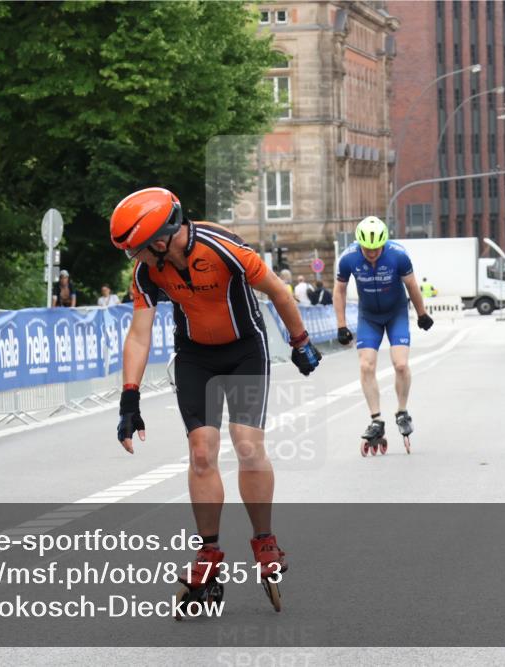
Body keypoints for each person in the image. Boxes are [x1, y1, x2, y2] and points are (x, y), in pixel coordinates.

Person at [110, 187, 321, 611]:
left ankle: (264, 540)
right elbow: (139, 332)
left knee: (247, 442)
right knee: (201, 452)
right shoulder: (149, 272)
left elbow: (279, 291)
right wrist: (128, 400)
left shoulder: (223, 248)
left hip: (244, 349)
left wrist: (300, 342)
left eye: (139, 251)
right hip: (194, 357)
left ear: (162, 238)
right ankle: (209, 551)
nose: (137, 261)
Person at [333, 215, 433, 451]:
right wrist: (341, 325)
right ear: (360, 244)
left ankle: (402, 410)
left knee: (400, 364)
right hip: (369, 316)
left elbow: (411, 286)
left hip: (396, 313)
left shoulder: (398, 255)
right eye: (367, 249)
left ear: (383, 243)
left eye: (376, 248)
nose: (372, 253)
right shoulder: (348, 258)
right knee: (366, 365)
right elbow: (339, 291)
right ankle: (376, 419)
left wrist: (422, 314)